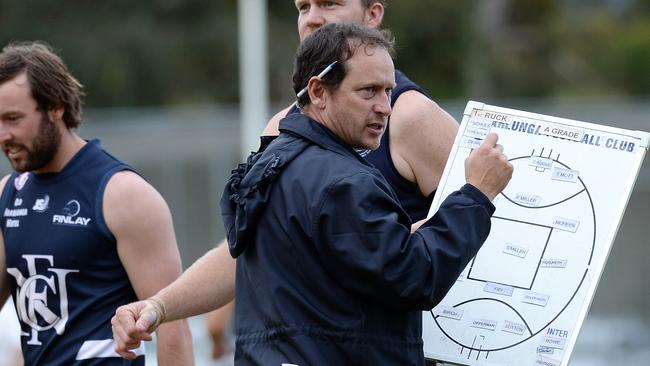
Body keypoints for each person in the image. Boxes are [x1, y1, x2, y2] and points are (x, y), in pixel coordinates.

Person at [112, 23, 513, 365]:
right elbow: (414, 277)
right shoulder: (346, 181)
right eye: (368, 91)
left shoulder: (269, 162)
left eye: (388, 91)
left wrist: (159, 306)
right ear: (318, 91)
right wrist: (476, 195)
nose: (385, 107)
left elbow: (315, 265)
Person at [206, 0, 460, 360]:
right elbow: (246, 251)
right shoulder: (282, 130)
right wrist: (161, 306)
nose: (312, 18)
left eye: (329, 3)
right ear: (317, 92)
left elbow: (490, 224)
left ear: (373, 15)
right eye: (302, 6)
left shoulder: (412, 115)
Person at [0, 41, 194, 365]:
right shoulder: (8, 194)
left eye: (13, 119)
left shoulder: (123, 195)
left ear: (56, 107)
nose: (3, 135)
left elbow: (174, 328)